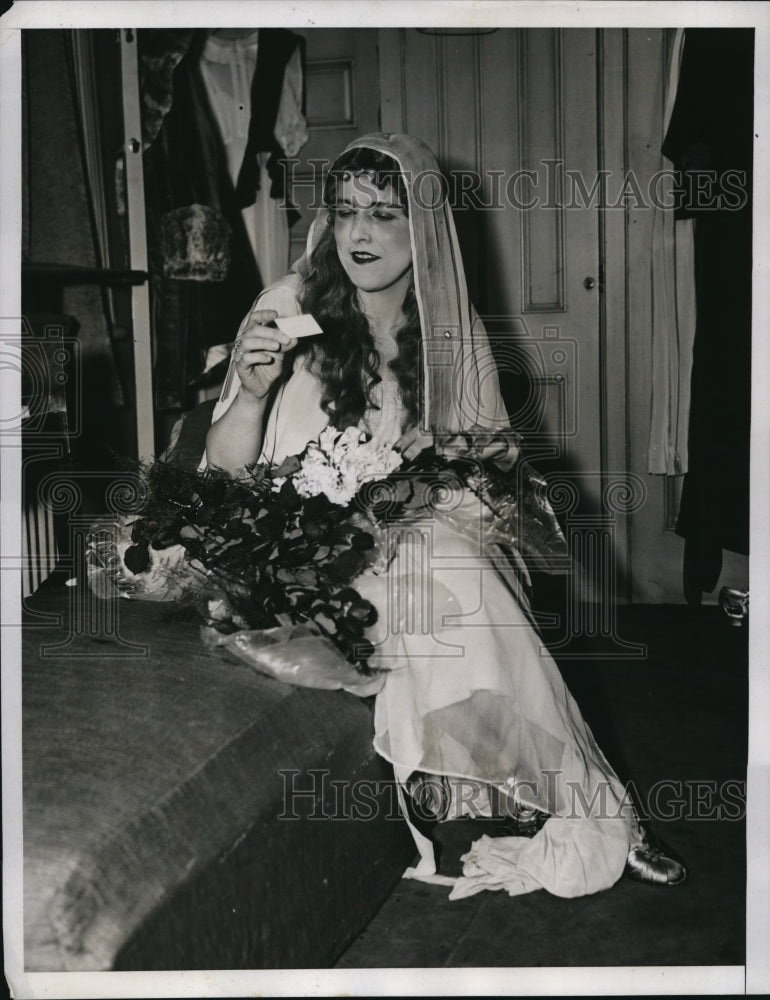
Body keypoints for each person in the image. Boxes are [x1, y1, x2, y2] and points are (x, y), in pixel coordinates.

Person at [203, 132, 686, 898]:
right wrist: (254, 391)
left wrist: (405, 501)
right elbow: (223, 478)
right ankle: (596, 805)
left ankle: (590, 806)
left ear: (424, 226)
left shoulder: (452, 339)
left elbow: (494, 488)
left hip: (401, 549)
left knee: (445, 560)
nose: (358, 233)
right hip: (286, 554)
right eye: (346, 211)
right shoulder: (286, 310)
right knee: (435, 568)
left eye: (384, 214)